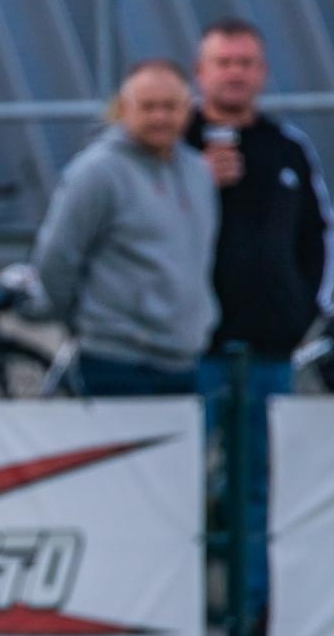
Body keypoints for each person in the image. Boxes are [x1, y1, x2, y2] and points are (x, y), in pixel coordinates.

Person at [185, 18, 334, 636]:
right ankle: (179, 623)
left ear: (262, 73)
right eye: (223, 62)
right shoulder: (173, 142)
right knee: (175, 488)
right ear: (203, 72)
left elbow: (320, 237)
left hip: (269, 353)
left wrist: (304, 316)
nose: (235, 73)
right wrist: (197, 179)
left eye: (246, 62)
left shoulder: (287, 147)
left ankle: (252, 621)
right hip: (188, 353)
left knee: (259, 494)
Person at [32, 59, 219, 396]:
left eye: (170, 106)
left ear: (188, 110)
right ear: (123, 109)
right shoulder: (97, 172)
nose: (160, 117)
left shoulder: (198, 171)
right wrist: (85, 321)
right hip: (115, 361)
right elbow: (57, 258)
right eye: (148, 107)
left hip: (186, 359)